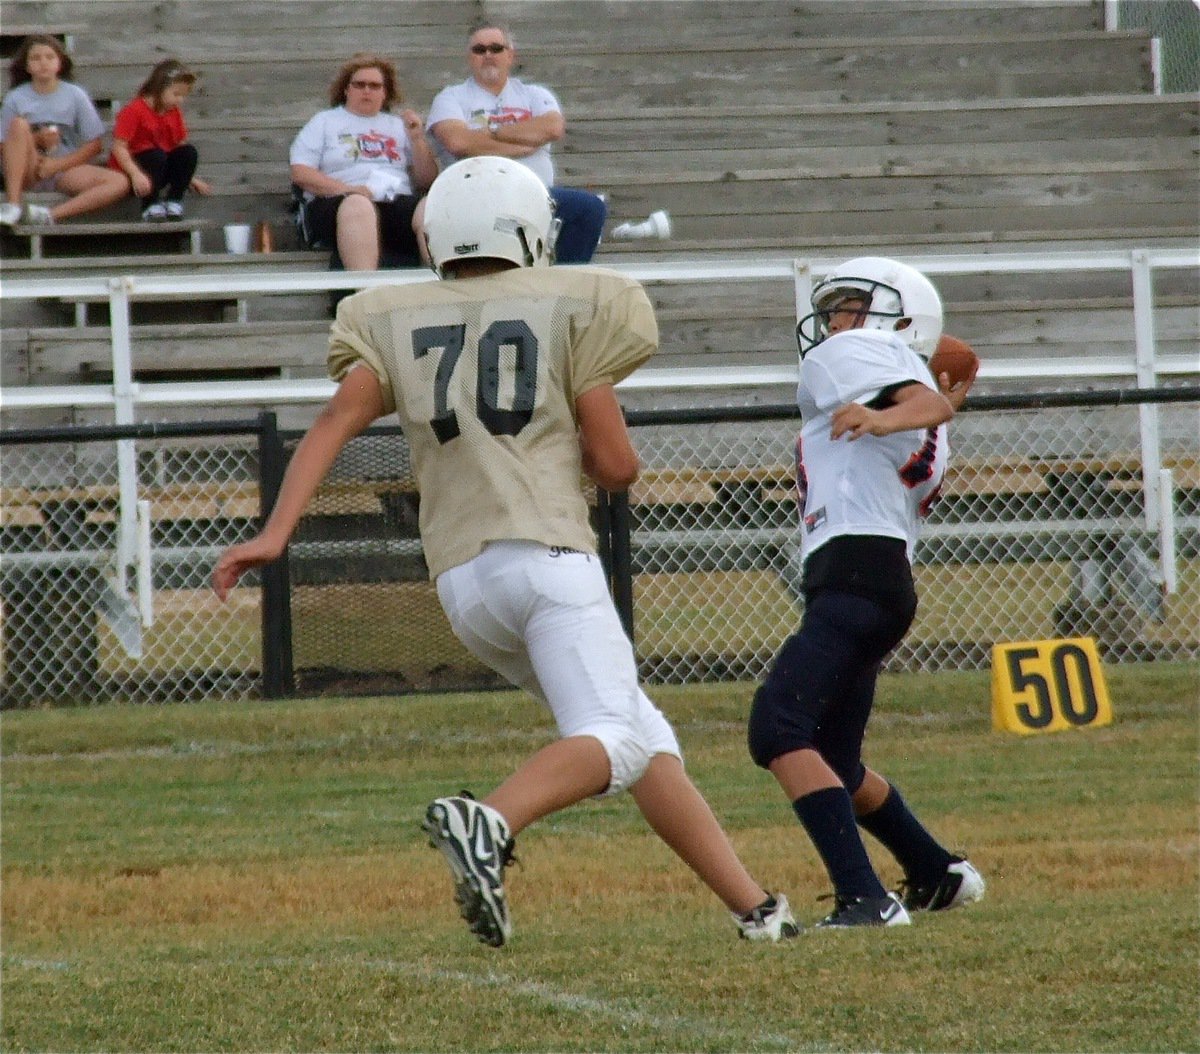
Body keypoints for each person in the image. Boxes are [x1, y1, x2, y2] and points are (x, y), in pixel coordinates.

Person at [211, 155, 797, 948]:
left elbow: (329, 427)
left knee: (638, 731)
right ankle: (489, 820)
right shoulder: (570, 306)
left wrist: (274, 533)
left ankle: (756, 910)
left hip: (462, 583)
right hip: (546, 555)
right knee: (614, 738)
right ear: (528, 233)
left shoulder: (392, 315)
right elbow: (619, 466)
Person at [747, 256, 986, 928]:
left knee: (777, 727)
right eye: (834, 310)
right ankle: (937, 873)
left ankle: (864, 897)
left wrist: (894, 412)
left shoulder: (864, 359)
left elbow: (927, 401)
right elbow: (933, 401)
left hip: (855, 573)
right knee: (835, 760)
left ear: (898, 318)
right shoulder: (894, 384)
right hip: (877, 580)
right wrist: (918, 402)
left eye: (851, 306)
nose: (835, 323)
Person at [422, 22, 606, 264]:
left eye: (496, 48)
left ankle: (561, 282)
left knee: (590, 208)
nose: (488, 55)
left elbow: (552, 127)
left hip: (537, 195)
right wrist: (524, 142)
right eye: (479, 50)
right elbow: (458, 142)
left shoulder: (535, 94)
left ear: (510, 55)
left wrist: (493, 132)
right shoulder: (450, 97)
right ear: (470, 57)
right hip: (476, 196)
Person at [289, 52, 438, 270]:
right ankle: (365, 293)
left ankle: (440, 285)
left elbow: (427, 180)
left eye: (375, 86)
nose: (367, 90)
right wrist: (349, 190)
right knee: (358, 205)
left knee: (431, 207)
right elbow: (301, 173)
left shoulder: (398, 126)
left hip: (395, 202)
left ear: (385, 93)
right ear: (346, 89)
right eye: (359, 85)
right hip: (338, 203)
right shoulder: (325, 122)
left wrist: (417, 139)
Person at [0, 34, 128, 226]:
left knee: (118, 182)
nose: (43, 63)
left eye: (49, 57)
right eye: (36, 58)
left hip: (62, 166)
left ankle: (49, 215)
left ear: (60, 63)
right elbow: (4, 144)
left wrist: (57, 165)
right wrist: (36, 140)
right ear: (27, 66)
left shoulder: (75, 94)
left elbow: (95, 145)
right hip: (27, 166)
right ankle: (13, 204)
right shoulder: (15, 97)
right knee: (19, 124)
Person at [107, 58, 212, 221]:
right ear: (159, 88)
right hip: (139, 166)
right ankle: (150, 204)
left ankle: (174, 200)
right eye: (176, 94)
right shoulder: (134, 110)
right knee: (155, 156)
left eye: (183, 96)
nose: (180, 100)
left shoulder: (174, 112)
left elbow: (179, 145)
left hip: (160, 166)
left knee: (188, 152)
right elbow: (119, 146)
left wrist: (189, 178)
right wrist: (135, 174)